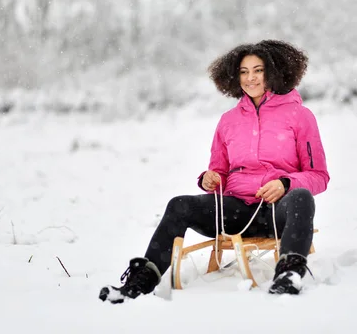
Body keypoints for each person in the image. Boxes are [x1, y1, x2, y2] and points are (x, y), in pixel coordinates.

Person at [99, 40, 329, 303]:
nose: (250, 78)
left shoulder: (300, 116)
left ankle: (289, 275)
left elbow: (319, 176)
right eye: (243, 71)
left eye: (258, 70)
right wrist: (210, 179)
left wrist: (285, 184)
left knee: (301, 197)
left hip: (279, 213)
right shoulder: (228, 121)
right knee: (179, 205)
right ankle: (141, 282)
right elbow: (219, 170)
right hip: (235, 213)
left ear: (274, 72)